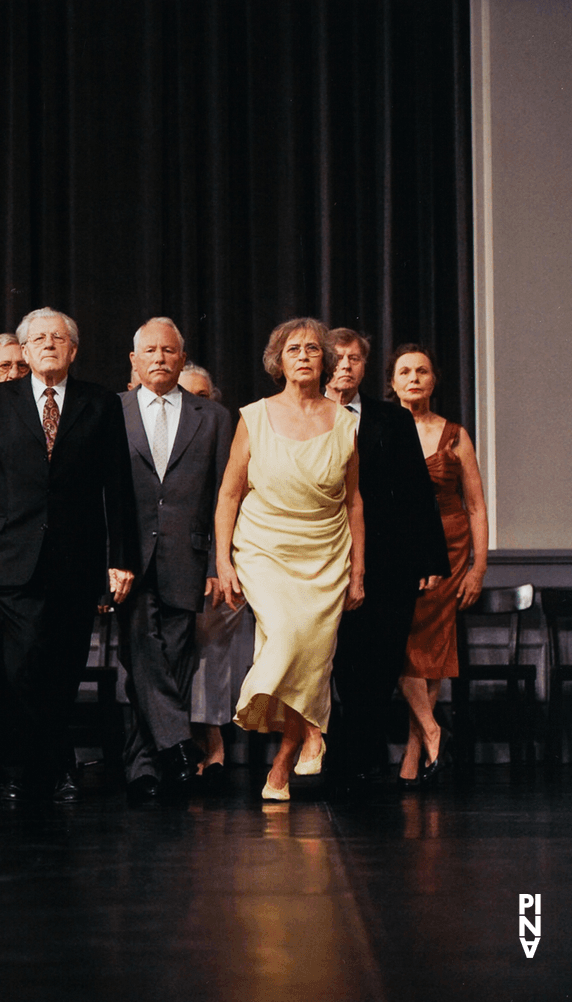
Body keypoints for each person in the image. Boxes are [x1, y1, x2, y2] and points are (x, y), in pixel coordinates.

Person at [0, 307, 138, 803]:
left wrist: (120, 558)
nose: (49, 345)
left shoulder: (99, 403)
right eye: (38, 338)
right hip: (7, 557)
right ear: (25, 349)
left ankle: (58, 766)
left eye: (58, 338)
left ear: (74, 350)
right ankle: (19, 765)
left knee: (61, 669)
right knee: (17, 670)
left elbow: (118, 487)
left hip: (75, 562)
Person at [215, 318, 364, 801]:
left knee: (311, 657)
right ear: (278, 361)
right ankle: (313, 731)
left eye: (313, 350)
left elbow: (354, 500)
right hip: (264, 548)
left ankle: (282, 766)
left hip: (326, 551)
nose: (303, 356)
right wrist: (223, 561)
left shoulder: (345, 422)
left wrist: (358, 569)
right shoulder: (254, 416)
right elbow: (230, 494)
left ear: (326, 360)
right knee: (288, 636)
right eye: (293, 349)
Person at [324, 328, 449, 791]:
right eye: (337, 358)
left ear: (364, 366)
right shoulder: (305, 416)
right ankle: (339, 758)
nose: (345, 366)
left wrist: (430, 557)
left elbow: (418, 489)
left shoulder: (390, 419)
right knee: (335, 664)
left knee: (379, 663)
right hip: (322, 556)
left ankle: (360, 760)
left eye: (355, 359)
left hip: (388, 559)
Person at [116, 318, 233, 801]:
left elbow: (225, 496)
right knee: (141, 646)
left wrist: (216, 565)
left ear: (182, 359)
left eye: (169, 351)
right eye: (150, 350)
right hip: (128, 557)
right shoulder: (112, 410)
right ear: (134, 360)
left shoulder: (214, 417)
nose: (160, 358)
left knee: (176, 655)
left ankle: (147, 767)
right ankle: (177, 746)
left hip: (190, 555)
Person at [390, 345, 487, 785]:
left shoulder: (455, 434)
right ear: (392, 383)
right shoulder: (381, 429)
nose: (414, 378)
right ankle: (432, 734)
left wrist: (477, 569)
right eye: (405, 371)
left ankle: (417, 756)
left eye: (422, 371)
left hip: (448, 550)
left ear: (434, 379)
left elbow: (477, 506)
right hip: (398, 549)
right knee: (402, 646)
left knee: (432, 649)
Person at [179, 364, 254, 781]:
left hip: (224, 564)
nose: (194, 405)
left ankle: (214, 744)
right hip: (174, 564)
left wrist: (217, 563)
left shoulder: (232, 442)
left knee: (209, 652)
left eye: (202, 397)